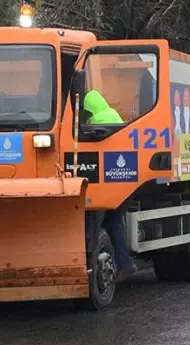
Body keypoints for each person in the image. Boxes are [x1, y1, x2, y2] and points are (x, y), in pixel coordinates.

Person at [84, 90, 136, 282]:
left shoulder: (96, 121)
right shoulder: (113, 114)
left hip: (108, 182)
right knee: (113, 221)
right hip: (124, 181)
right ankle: (123, 262)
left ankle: (124, 263)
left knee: (111, 222)